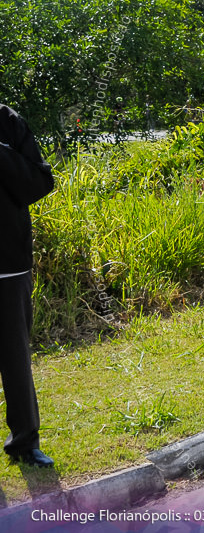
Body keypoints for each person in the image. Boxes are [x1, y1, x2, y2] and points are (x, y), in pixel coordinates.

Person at [0, 104, 55, 467]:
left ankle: (25, 444)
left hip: (8, 265)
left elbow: (39, 183)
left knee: (16, 359)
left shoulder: (8, 121)